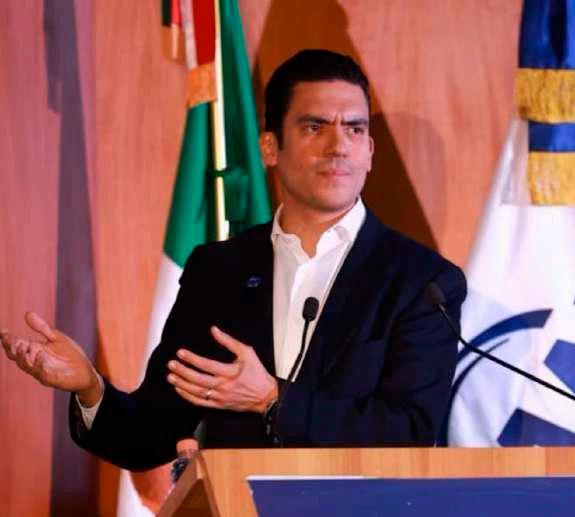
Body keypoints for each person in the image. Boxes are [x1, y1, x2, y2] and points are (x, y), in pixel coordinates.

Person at [1, 49, 466, 471]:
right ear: (270, 148)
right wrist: (90, 388)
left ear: (370, 153)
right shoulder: (218, 270)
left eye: (354, 129)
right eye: (315, 126)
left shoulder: (422, 281)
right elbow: (152, 432)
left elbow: (409, 431)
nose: (338, 145)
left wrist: (272, 399)